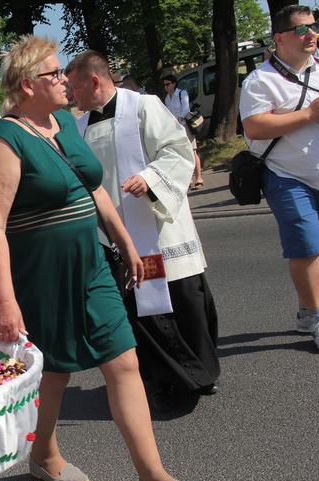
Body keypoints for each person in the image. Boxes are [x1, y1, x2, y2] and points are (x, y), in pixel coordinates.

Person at [0, 35, 207, 481]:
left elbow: (94, 188)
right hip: (42, 275)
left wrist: (126, 245)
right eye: (55, 74)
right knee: (55, 372)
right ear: (27, 85)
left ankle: (152, 477)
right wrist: (4, 302)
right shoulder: (4, 140)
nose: (65, 80)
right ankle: (43, 453)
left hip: (92, 266)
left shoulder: (65, 121)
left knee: (123, 360)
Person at [65, 50, 220, 412]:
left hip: (159, 226)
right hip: (117, 234)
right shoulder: (78, 127)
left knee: (184, 301)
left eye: (74, 87)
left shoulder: (144, 107)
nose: (71, 95)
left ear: (95, 81)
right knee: (140, 311)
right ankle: (165, 379)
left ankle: (202, 373)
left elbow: (177, 152)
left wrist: (149, 179)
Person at [241, 5, 319, 349]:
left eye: (313, 27)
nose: (311, 34)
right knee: (307, 245)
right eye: (301, 30)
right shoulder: (260, 80)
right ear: (280, 38)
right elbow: (254, 126)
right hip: (286, 175)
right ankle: (318, 316)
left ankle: (305, 310)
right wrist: (310, 113)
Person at [162, 74, 204, 190]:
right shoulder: (167, 98)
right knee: (181, 153)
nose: (166, 87)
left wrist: (178, 119)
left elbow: (185, 109)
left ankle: (199, 178)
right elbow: (167, 112)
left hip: (185, 126)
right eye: (164, 85)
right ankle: (189, 178)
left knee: (192, 151)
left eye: (168, 84)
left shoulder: (181, 93)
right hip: (175, 129)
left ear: (174, 83)